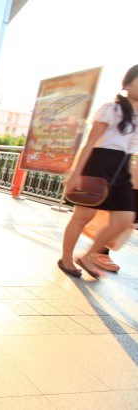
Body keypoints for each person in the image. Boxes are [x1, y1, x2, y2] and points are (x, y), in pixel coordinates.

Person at [58, 65, 138, 278]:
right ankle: (66, 259)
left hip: (122, 168)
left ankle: (88, 255)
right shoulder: (112, 109)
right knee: (83, 216)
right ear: (128, 83)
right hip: (99, 163)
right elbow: (90, 143)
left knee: (125, 219)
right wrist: (75, 174)